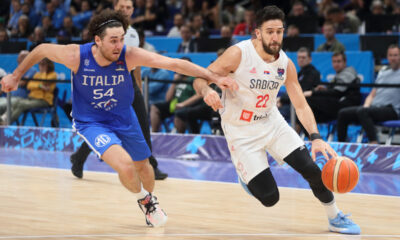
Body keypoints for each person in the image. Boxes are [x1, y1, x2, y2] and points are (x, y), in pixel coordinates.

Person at [0, 9, 235, 227]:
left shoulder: (128, 55)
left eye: (122, 38)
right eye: (113, 40)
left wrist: (212, 76)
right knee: (126, 166)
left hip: (125, 118)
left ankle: (149, 201)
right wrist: (16, 75)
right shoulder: (76, 56)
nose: (119, 45)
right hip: (92, 123)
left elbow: (174, 63)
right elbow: (41, 49)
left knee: (144, 167)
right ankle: (146, 202)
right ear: (97, 40)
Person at [193, 5, 360, 235]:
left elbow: (300, 103)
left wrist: (316, 138)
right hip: (241, 131)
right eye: (270, 31)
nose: (275, 37)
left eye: (279, 31)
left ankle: (335, 217)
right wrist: (206, 92)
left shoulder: (285, 64)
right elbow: (200, 78)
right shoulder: (238, 54)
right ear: (257, 32)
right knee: (270, 198)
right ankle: (247, 177)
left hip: (272, 122)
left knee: (311, 169)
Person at [69, 0, 167, 181]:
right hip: (107, 83)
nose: (125, 10)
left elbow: (136, 63)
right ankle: (79, 157)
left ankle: (150, 164)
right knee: (103, 125)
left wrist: (138, 86)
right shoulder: (104, 31)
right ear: (115, 8)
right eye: (122, 7)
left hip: (127, 82)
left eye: (129, 7)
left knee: (142, 122)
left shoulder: (133, 35)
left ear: (133, 10)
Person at [337, 44, 400, 143]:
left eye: (395, 55)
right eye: (390, 55)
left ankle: (374, 144)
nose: (393, 58)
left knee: (363, 112)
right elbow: (372, 94)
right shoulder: (382, 73)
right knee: (343, 113)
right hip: (374, 108)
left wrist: (364, 110)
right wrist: (366, 106)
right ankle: (341, 146)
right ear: (387, 57)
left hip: (392, 110)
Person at [303, 51, 362, 124]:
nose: (336, 64)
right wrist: (326, 89)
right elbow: (335, 90)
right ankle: (309, 133)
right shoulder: (339, 74)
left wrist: (313, 93)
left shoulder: (349, 72)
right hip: (338, 104)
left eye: (338, 61)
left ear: (345, 62)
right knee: (308, 115)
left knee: (308, 101)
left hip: (347, 106)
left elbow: (337, 92)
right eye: (334, 62)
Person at [0, 58, 56, 125]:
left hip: (43, 101)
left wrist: (43, 72)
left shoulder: (53, 75)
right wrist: (40, 86)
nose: (40, 66)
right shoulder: (37, 74)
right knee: (16, 102)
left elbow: (44, 81)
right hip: (32, 98)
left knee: (21, 105)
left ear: (48, 65)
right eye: (40, 64)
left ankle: (7, 122)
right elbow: (30, 85)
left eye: (43, 64)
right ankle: (3, 118)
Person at [278, 47, 320, 122]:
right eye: (299, 57)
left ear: (310, 59)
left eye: (303, 57)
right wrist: (280, 99)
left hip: (303, 106)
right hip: (292, 104)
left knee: (274, 114)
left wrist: (282, 100)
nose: (301, 59)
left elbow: (300, 93)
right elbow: (291, 90)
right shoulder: (300, 73)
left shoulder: (313, 73)